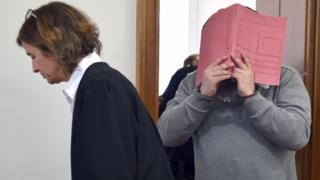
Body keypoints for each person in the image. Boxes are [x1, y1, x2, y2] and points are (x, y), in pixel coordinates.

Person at [17, 2, 174, 180]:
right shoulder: (99, 83)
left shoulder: (100, 88)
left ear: (54, 45)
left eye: (33, 56)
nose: (34, 68)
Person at [157, 53, 311, 180]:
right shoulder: (192, 81)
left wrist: (252, 97)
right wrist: (201, 96)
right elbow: (166, 135)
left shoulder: (285, 77)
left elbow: (298, 136)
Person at [159, 54, 198, 180]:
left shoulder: (183, 75)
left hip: (183, 154)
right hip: (185, 153)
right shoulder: (188, 77)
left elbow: (163, 105)